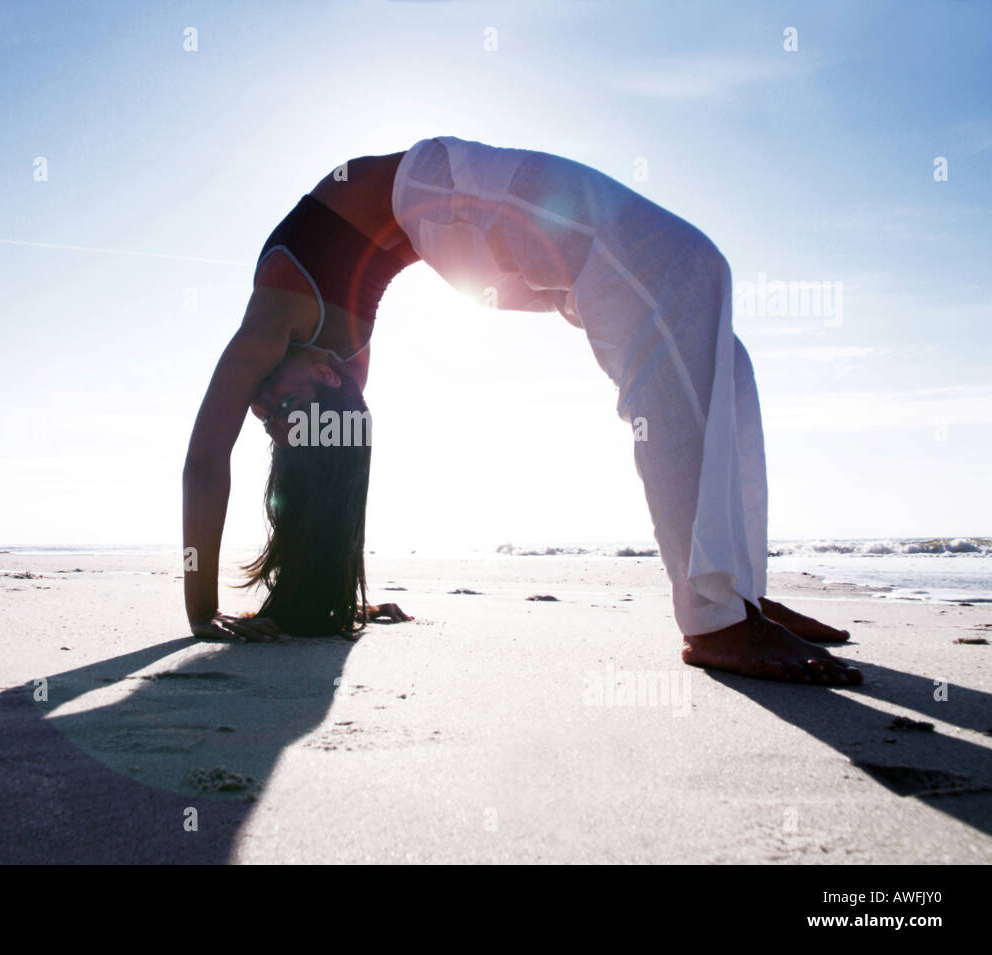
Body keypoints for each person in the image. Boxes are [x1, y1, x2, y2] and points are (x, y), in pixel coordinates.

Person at [183, 135, 862, 686]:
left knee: (695, 301)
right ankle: (720, 612)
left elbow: (206, 464)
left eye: (275, 410)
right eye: (292, 414)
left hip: (433, 188)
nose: (272, 403)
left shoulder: (274, 316)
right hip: (451, 235)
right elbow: (332, 489)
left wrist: (202, 609)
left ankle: (734, 593)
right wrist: (314, 594)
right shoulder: (339, 368)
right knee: (678, 285)